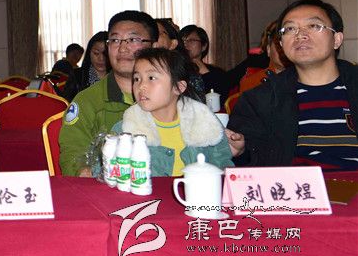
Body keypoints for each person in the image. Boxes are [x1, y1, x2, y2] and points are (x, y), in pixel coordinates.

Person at [227, 0, 358, 169]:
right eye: (290, 29)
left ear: (337, 39)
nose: (300, 35)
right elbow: (248, 161)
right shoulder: (260, 100)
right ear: (281, 44)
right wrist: (241, 151)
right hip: (293, 185)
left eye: (314, 26)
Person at [59, 11, 157, 177]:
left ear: (155, 47)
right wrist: (86, 172)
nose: (122, 48)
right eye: (115, 40)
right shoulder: (88, 101)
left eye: (133, 39)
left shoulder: (172, 97)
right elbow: (73, 153)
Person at [111, 48, 233, 177]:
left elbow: (224, 168)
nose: (141, 86)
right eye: (136, 79)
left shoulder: (206, 122)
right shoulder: (126, 130)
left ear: (179, 87)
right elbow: (108, 172)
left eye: (151, 78)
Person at [180, 25, 231, 101]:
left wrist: (204, 71)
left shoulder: (217, 73)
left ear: (204, 46)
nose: (185, 44)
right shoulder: (176, 70)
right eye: (182, 41)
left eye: (191, 40)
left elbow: (219, 99)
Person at [238, 22, 291, 93]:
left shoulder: (303, 78)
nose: (284, 50)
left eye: (288, 44)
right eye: (278, 45)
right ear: (269, 50)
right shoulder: (252, 83)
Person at [60, 31, 108, 102]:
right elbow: (66, 102)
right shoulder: (77, 76)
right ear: (89, 53)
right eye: (96, 53)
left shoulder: (119, 77)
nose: (101, 58)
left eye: (105, 54)